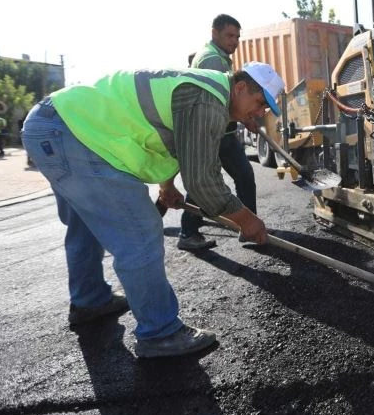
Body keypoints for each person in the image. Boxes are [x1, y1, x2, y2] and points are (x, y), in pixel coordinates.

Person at [21, 63, 284, 358]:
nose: (261, 113)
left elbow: (168, 142)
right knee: (141, 229)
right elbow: (203, 183)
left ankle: (90, 299)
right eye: (260, 103)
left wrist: (166, 186)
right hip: (75, 135)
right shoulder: (207, 98)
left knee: (86, 223)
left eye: (266, 109)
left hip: (52, 125)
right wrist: (245, 219)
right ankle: (161, 334)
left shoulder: (204, 90)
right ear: (239, 87)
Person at [179, 14, 260, 251]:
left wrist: (246, 118)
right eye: (229, 35)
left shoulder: (218, 57)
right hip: (215, 132)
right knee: (208, 180)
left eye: (237, 36)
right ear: (215, 33)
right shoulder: (212, 60)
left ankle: (247, 227)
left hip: (222, 130)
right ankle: (248, 227)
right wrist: (244, 117)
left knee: (210, 179)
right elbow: (221, 102)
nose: (234, 41)